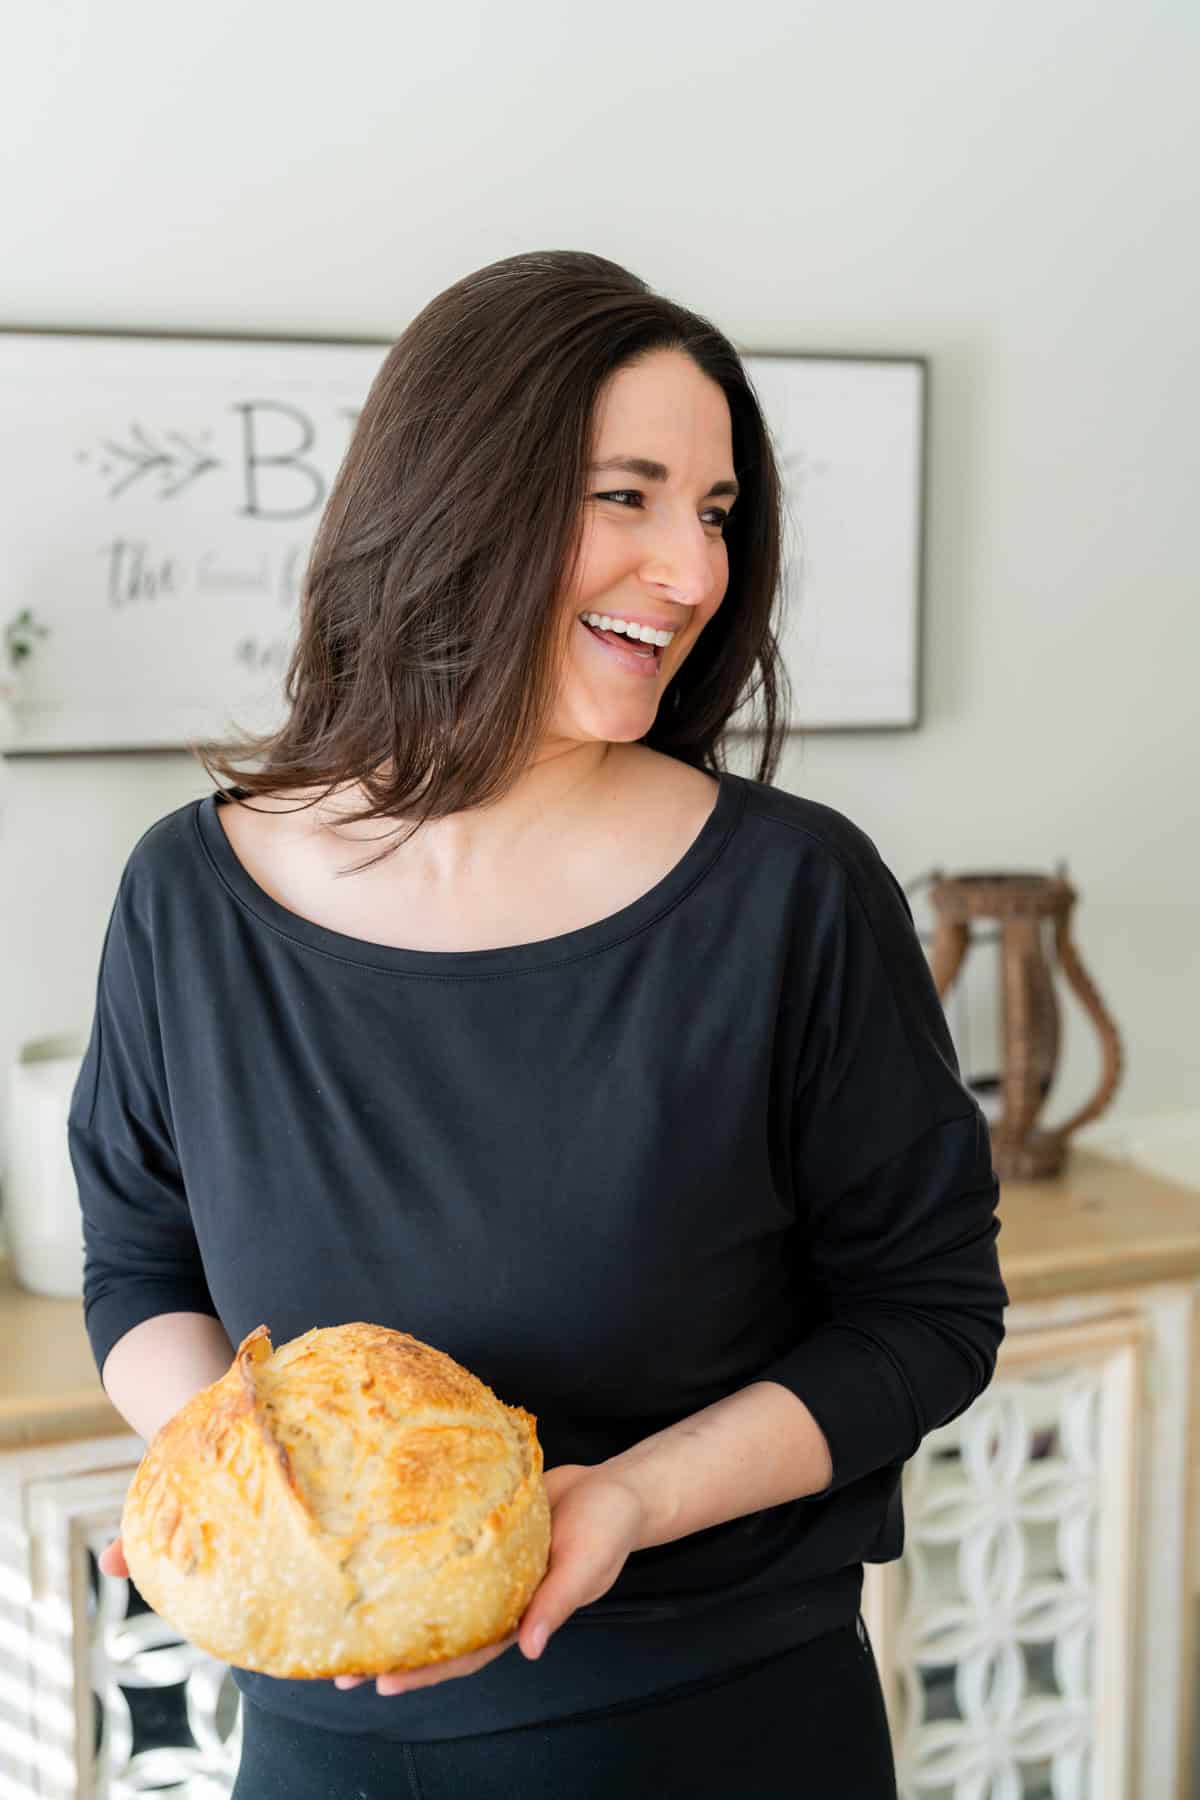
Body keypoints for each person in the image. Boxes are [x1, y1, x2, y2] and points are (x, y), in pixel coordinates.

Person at [72, 249, 1006, 1800]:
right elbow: (139, 1267)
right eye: (627, 497)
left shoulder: (791, 894)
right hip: (324, 1748)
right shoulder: (190, 895)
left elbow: (927, 1313)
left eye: (716, 514)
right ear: (455, 497)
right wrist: (248, 1487)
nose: (693, 572)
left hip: (722, 1725)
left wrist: (625, 1501)